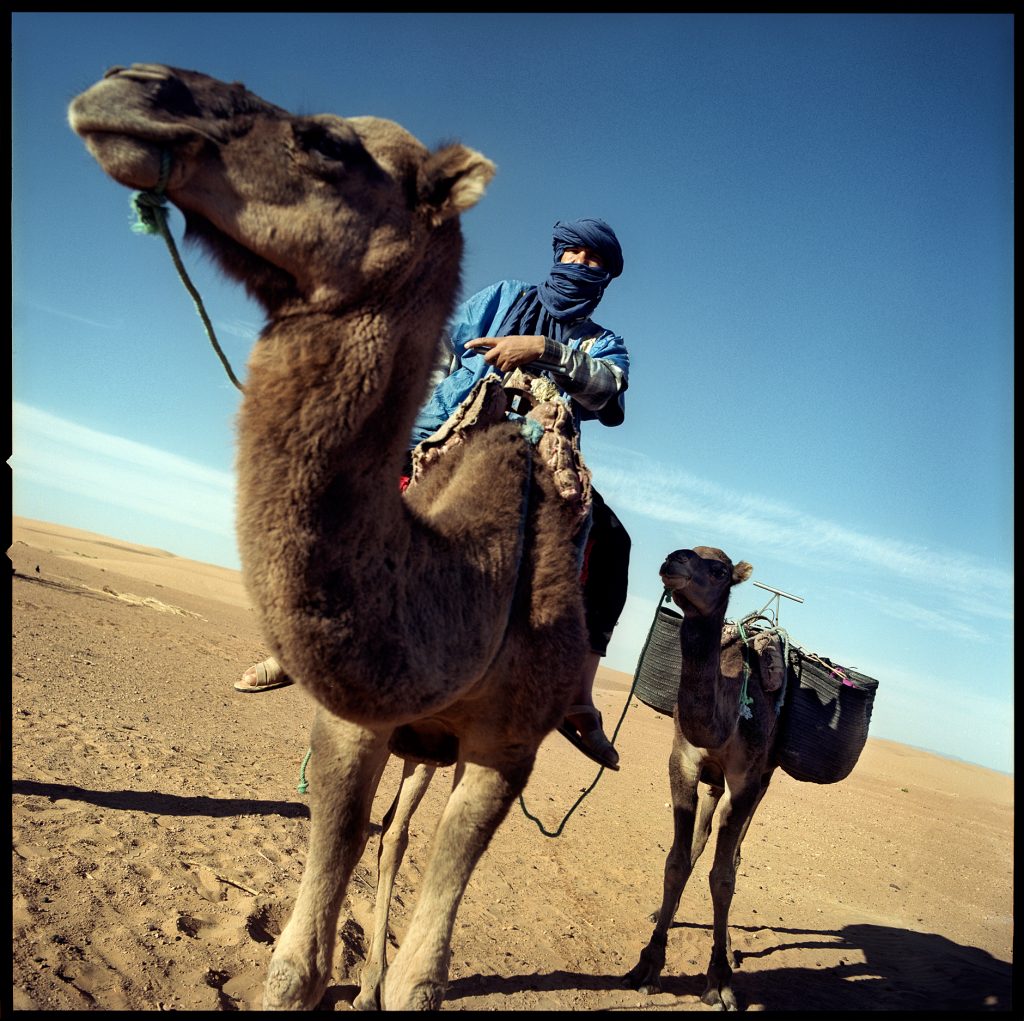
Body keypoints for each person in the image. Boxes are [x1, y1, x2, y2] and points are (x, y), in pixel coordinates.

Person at [236, 217, 631, 771]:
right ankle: (304, 644)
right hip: (455, 423)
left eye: (596, 264)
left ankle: (576, 695)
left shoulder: (602, 342)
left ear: (607, 278)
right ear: (559, 256)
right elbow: (440, 355)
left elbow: (609, 396)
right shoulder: (502, 299)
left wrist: (541, 349)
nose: (581, 268)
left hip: (541, 449)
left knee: (611, 544)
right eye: (576, 256)